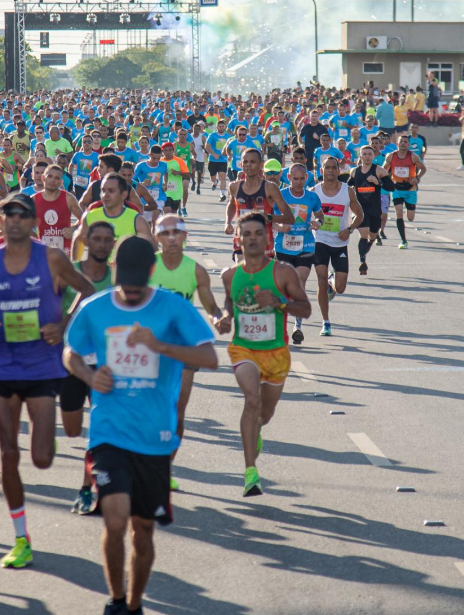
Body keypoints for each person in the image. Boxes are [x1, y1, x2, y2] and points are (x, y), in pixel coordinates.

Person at [63, 236, 218, 615]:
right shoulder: (94, 307)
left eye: (137, 284)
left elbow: (209, 357)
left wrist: (161, 346)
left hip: (155, 437)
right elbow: (70, 351)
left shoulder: (173, 308)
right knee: (114, 520)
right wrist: (87, 374)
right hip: (108, 431)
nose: (129, 292)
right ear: (114, 270)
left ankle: (134, 604)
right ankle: (116, 600)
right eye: (124, 282)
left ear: (151, 271)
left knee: (142, 529)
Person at [0, 193, 96, 568]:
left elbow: (87, 291)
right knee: (8, 453)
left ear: (33, 221)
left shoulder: (52, 257)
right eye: (9, 214)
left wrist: (64, 326)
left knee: (40, 458)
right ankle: (21, 537)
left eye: (24, 214)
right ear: (0, 221)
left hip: (42, 363)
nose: (17, 220)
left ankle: (43, 449)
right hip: (2, 362)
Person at [217, 212, 311, 497]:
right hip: (243, 348)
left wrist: (279, 302)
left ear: (268, 237)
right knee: (251, 399)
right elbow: (229, 307)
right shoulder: (229, 275)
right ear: (239, 238)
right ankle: (250, 473)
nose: (253, 239)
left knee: (264, 414)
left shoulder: (283, 272)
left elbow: (305, 309)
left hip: (276, 352)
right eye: (247, 234)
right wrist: (223, 319)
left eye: (258, 233)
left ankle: (256, 429)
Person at [149, 214, 226, 490]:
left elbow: (211, 308)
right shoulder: (148, 267)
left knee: (176, 415)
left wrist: (219, 319)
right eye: (165, 233)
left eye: (176, 232)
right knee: (149, 411)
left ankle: (164, 468)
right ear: (156, 237)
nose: (171, 238)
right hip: (148, 351)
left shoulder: (196, 271)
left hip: (182, 352)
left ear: (185, 236)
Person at [59, 220, 115, 515]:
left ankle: (87, 487)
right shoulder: (70, 273)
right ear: (87, 241)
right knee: (71, 429)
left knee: (99, 426)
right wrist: (79, 304)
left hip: (105, 366)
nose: (103, 244)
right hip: (73, 362)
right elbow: (57, 322)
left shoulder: (116, 279)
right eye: (98, 239)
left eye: (108, 240)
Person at [312, 157, 364, 337]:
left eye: (334, 168)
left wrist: (349, 229)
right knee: (320, 279)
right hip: (320, 240)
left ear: (338, 170)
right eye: (328, 167)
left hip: (340, 242)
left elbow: (360, 215)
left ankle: (332, 281)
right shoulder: (315, 192)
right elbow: (305, 213)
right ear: (322, 169)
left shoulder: (347, 191)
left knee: (340, 288)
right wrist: (312, 223)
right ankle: (325, 322)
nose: (331, 171)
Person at [274, 165, 324, 345]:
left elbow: (320, 216)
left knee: (300, 281)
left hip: (306, 244)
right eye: (295, 179)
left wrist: (317, 223)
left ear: (306, 179)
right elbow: (269, 218)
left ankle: (297, 327)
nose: (299, 182)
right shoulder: (280, 195)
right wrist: (279, 227)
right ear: (289, 177)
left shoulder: (312, 197)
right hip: (283, 246)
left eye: (302, 179)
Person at [224, 148, 294, 261]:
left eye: (252, 162)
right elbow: (232, 205)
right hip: (242, 240)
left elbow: (290, 218)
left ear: (261, 164)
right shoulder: (234, 187)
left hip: (264, 243)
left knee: (261, 277)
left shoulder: (270, 188)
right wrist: (227, 222)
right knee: (243, 272)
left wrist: (269, 217)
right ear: (241, 164)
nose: (248, 165)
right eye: (245, 162)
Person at [348, 145, 395, 277]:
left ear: (373, 156)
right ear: (360, 156)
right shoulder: (354, 172)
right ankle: (362, 262)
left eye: (370, 154)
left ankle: (367, 248)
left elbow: (391, 187)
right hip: (360, 210)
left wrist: (378, 182)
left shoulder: (379, 170)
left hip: (375, 210)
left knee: (372, 236)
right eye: (365, 154)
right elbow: (347, 186)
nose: (367, 156)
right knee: (363, 234)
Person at [384, 134, 426, 249]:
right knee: (398, 212)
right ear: (397, 143)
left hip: (410, 189)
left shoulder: (413, 156)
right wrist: (386, 180)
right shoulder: (391, 156)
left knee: (410, 217)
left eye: (405, 142)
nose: (403, 143)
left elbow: (423, 168)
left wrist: (417, 178)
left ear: (408, 144)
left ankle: (411, 207)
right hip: (397, 188)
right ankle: (403, 240)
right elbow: (384, 170)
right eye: (401, 141)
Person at [34, 164, 82, 253]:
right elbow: (23, 223)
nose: (53, 180)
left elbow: (84, 220)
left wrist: (74, 229)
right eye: (50, 176)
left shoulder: (69, 198)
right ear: (43, 178)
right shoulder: (33, 199)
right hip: (41, 251)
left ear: (61, 182)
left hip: (65, 252)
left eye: (57, 178)